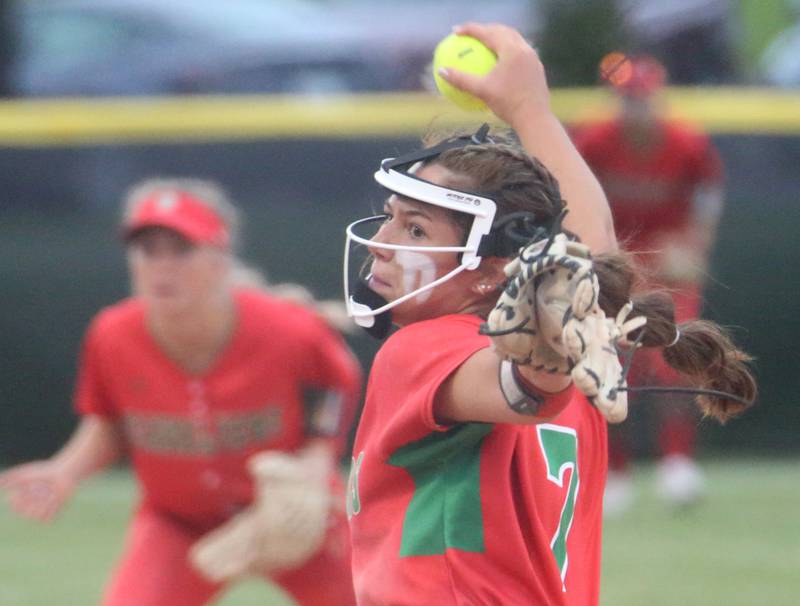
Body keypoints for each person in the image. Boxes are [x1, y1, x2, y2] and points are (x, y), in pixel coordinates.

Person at [342, 23, 756, 605]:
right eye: (389, 215)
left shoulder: (424, 348)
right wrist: (530, 110)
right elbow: (597, 254)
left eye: (415, 228)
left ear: (490, 271)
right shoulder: (582, 337)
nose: (382, 241)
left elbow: (522, 383)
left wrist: (541, 357)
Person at [0, 178, 362, 606]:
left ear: (220, 258)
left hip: (288, 511)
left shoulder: (287, 328)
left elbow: (338, 380)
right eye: (147, 250)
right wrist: (66, 470)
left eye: (181, 249)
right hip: (176, 522)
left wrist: (318, 457)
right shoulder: (112, 335)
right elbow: (112, 423)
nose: (162, 265)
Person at [574, 55, 727, 512]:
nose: (635, 107)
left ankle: (677, 463)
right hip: (617, 265)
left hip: (667, 267)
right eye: (627, 99)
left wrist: (697, 246)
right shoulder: (596, 141)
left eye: (642, 98)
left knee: (673, 358)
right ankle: (614, 471)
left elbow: (709, 193)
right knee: (610, 364)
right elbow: (573, 192)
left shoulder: (686, 143)